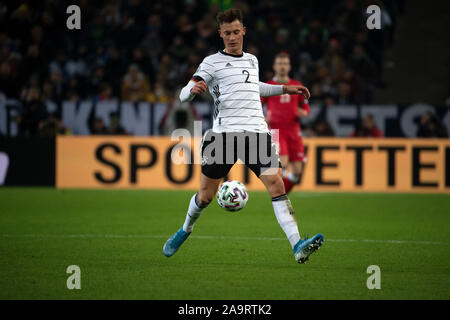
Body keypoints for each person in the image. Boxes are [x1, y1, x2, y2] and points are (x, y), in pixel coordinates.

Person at [163, 8, 323, 264]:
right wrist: (192, 90)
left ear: (243, 31)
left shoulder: (252, 60)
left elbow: (254, 87)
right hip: (222, 137)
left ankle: (297, 245)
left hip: (257, 134)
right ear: (220, 34)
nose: (232, 37)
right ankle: (185, 230)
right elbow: (184, 93)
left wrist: (286, 88)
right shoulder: (211, 62)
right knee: (205, 196)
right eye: (227, 33)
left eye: (236, 32)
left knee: (277, 185)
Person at [261, 52, 310, 194]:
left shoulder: (296, 85)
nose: (282, 66)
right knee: (282, 164)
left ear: (289, 67)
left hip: (294, 130)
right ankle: (278, 197)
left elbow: (305, 108)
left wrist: (303, 113)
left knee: (297, 172)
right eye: (280, 63)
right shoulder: (268, 85)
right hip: (276, 129)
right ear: (274, 66)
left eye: (285, 64)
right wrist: (263, 118)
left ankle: (282, 196)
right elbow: (257, 104)